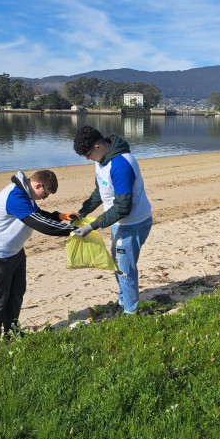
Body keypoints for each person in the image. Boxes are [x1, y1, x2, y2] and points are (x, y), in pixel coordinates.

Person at [0, 169, 78, 339]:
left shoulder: (25, 193)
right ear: (38, 185)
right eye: (45, 194)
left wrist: (61, 216)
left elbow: (37, 213)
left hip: (14, 251)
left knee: (16, 294)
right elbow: (40, 224)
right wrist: (74, 230)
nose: (45, 198)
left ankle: (12, 332)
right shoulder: (15, 197)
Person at [72, 125, 153, 315]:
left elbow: (123, 207)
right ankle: (123, 301)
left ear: (98, 147)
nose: (87, 158)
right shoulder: (100, 161)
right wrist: (82, 212)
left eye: (88, 154)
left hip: (133, 223)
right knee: (118, 263)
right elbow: (100, 191)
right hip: (118, 222)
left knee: (125, 268)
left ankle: (130, 313)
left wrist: (92, 226)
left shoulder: (121, 165)